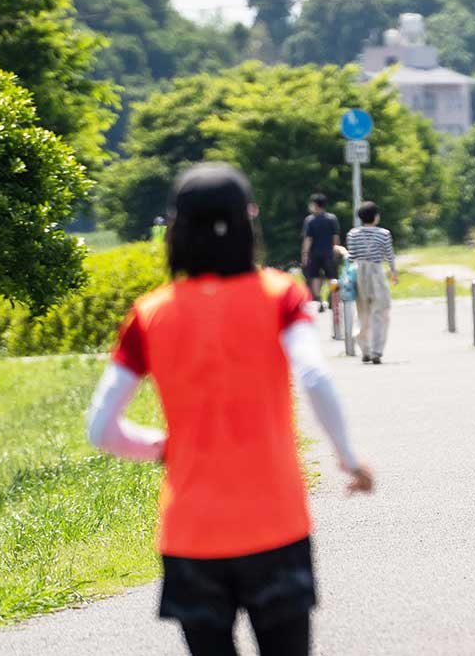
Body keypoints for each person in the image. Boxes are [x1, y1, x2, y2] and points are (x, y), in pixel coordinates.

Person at [85, 163, 374, 656]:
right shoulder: (281, 296)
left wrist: (164, 448)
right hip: (275, 523)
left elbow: (100, 428)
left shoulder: (150, 314)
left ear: (174, 230)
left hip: (191, 535)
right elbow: (315, 376)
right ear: (249, 221)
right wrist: (348, 458)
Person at [345, 201, 397, 364]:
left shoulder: (352, 234)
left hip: (359, 272)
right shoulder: (384, 233)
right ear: (375, 216)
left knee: (362, 313)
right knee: (380, 313)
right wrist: (394, 274)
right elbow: (389, 255)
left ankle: (365, 349)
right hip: (376, 272)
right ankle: (376, 351)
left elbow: (351, 257)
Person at [301, 193, 340, 308]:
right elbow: (335, 237)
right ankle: (334, 298)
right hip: (329, 252)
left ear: (314, 205)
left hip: (314, 253)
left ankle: (318, 300)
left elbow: (308, 239)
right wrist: (336, 250)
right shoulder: (332, 218)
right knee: (333, 277)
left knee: (315, 277)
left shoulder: (310, 220)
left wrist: (304, 254)